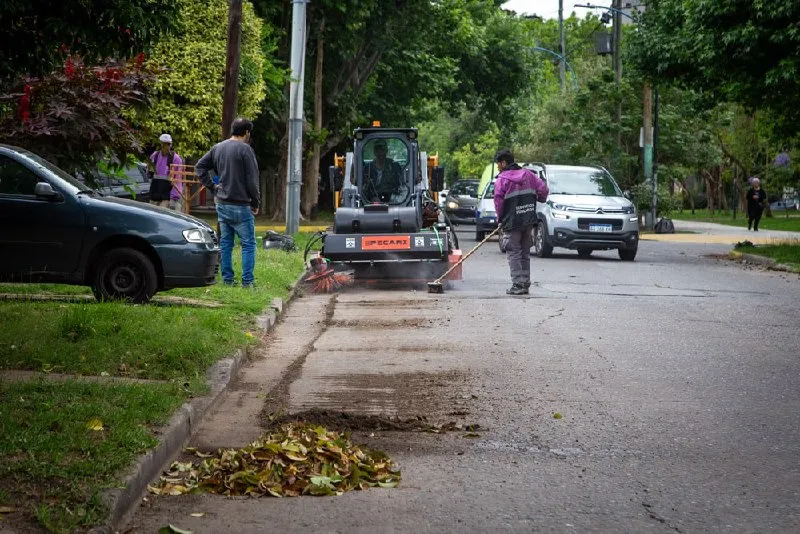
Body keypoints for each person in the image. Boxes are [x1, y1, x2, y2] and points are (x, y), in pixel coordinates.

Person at [195, 118, 260, 288]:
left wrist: (213, 187)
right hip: (241, 205)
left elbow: (199, 167)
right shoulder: (246, 150)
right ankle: (248, 282)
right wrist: (255, 201)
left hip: (222, 203)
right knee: (248, 244)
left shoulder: (218, 148)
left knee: (225, 243)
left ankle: (228, 280)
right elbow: (252, 180)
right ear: (246, 132)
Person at [493, 149, 549, 295]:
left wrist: (500, 220)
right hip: (528, 220)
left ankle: (518, 284)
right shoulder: (529, 175)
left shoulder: (502, 180)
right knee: (524, 252)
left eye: (498, 164)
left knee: (514, 252)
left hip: (512, 222)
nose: (498, 167)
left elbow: (499, 202)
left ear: (504, 163)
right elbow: (543, 190)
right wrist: (540, 199)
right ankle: (525, 283)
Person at [148, 133, 184, 209]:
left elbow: (178, 180)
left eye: (168, 144)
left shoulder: (176, 159)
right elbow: (149, 174)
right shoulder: (155, 156)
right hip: (154, 193)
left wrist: (174, 198)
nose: (166, 146)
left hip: (167, 196)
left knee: (162, 216)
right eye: (164, 144)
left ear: (171, 145)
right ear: (160, 144)